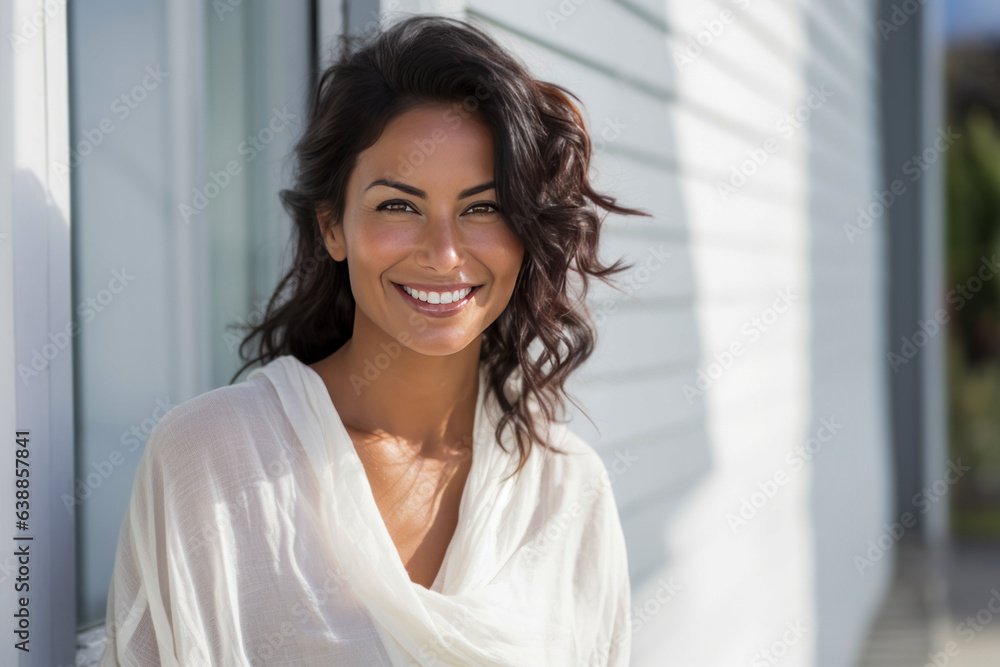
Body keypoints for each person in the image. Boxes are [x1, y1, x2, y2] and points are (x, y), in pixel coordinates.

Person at [100, 13, 649, 666]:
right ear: (332, 227)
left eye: (483, 208)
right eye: (398, 205)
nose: (445, 254)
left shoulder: (567, 491)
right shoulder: (213, 460)